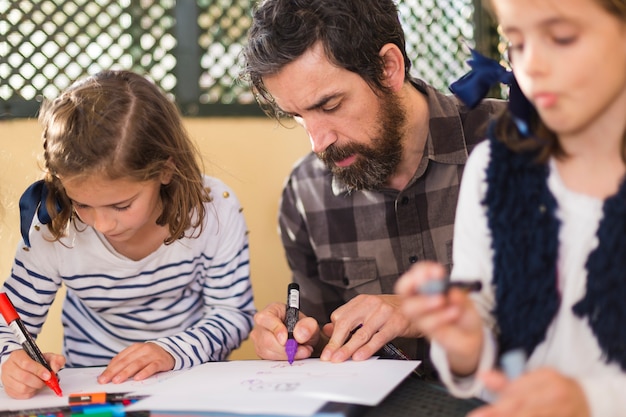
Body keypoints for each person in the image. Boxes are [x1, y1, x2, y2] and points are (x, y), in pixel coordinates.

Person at [239, 0, 504, 374]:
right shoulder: (306, 193)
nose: (318, 142)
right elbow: (324, 333)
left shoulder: (516, 144)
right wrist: (301, 338)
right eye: (297, 116)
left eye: (330, 105)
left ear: (388, 68)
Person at [395, 0, 626, 415]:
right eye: (516, 43)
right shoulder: (494, 172)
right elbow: (482, 320)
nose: (531, 65)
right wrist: (464, 339)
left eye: (561, 37)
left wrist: (592, 403)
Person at [0, 70, 256, 399]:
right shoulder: (52, 224)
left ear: (166, 169)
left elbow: (232, 313)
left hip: (190, 382)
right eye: (82, 204)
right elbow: (10, 323)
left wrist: (173, 352)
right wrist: (11, 361)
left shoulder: (214, 210)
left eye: (121, 206)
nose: (103, 225)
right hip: (91, 387)